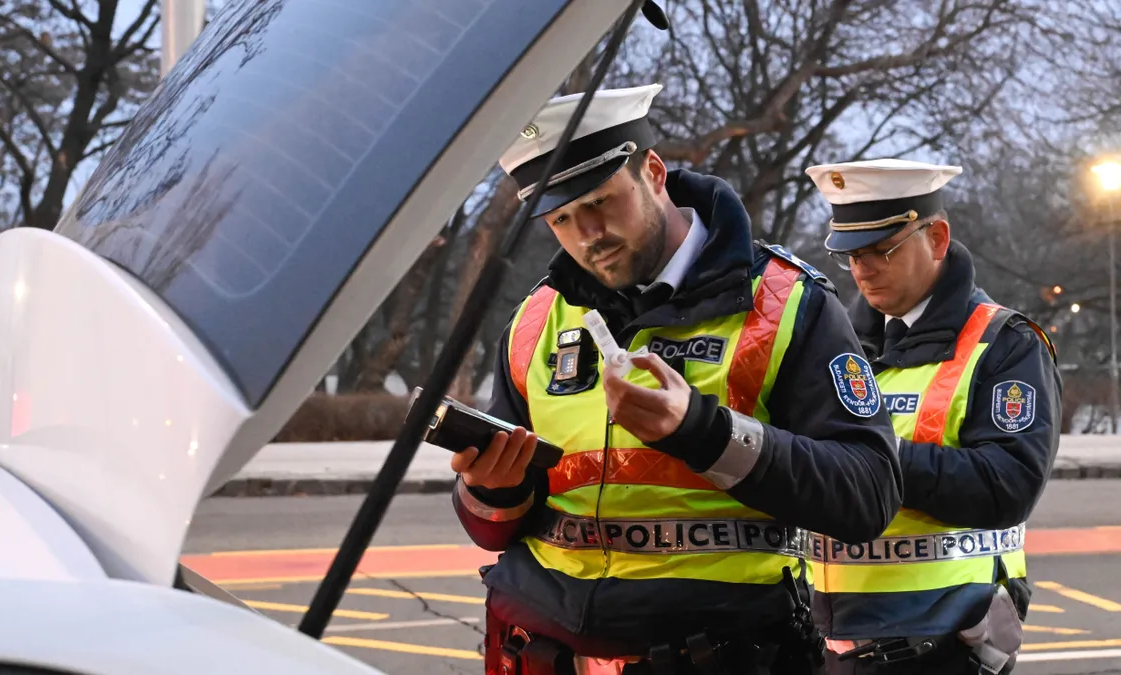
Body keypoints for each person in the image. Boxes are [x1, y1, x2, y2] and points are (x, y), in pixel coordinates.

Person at [448, 83, 903, 675]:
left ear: (654, 172)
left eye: (601, 203)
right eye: (561, 218)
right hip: (539, 651)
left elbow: (867, 496)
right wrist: (492, 490)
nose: (588, 235)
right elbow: (493, 531)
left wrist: (702, 432)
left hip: (721, 653)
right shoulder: (536, 319)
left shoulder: (788, 303)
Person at [802, 159, 1062, 675]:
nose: (862, 269)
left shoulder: (1005, 343)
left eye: (881, 249)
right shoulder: (834, 345)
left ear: (937, 237)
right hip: (830, 647)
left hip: (946, 650)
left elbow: (1008, 486)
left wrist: (875, 460)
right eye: (850, 254)